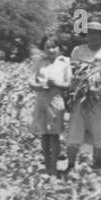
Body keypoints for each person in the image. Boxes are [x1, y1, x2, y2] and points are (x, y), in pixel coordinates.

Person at [65, 20, 101, 171]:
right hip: (80, 96)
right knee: (75, 128)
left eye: (96, 33)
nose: (93, 36)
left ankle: (96, 163)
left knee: (100, 130)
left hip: (100, 96)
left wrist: (100, 74)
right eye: (90, 32)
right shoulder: (78, 50)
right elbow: (71, 72)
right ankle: (70, 165)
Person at [27, 36, 71, 176]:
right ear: (44, 49)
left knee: (54, 135)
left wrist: (56, 84)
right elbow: (31, 81)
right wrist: (39, 85)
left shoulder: (65, 63)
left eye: (54, 47)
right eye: (48, 47)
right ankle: (47, 165)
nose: (51, 50)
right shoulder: (39, 62)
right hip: (41, 100)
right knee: (44, 135)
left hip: (56, 101)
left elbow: (69, 84)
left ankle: (53, 167)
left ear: (59, 48)